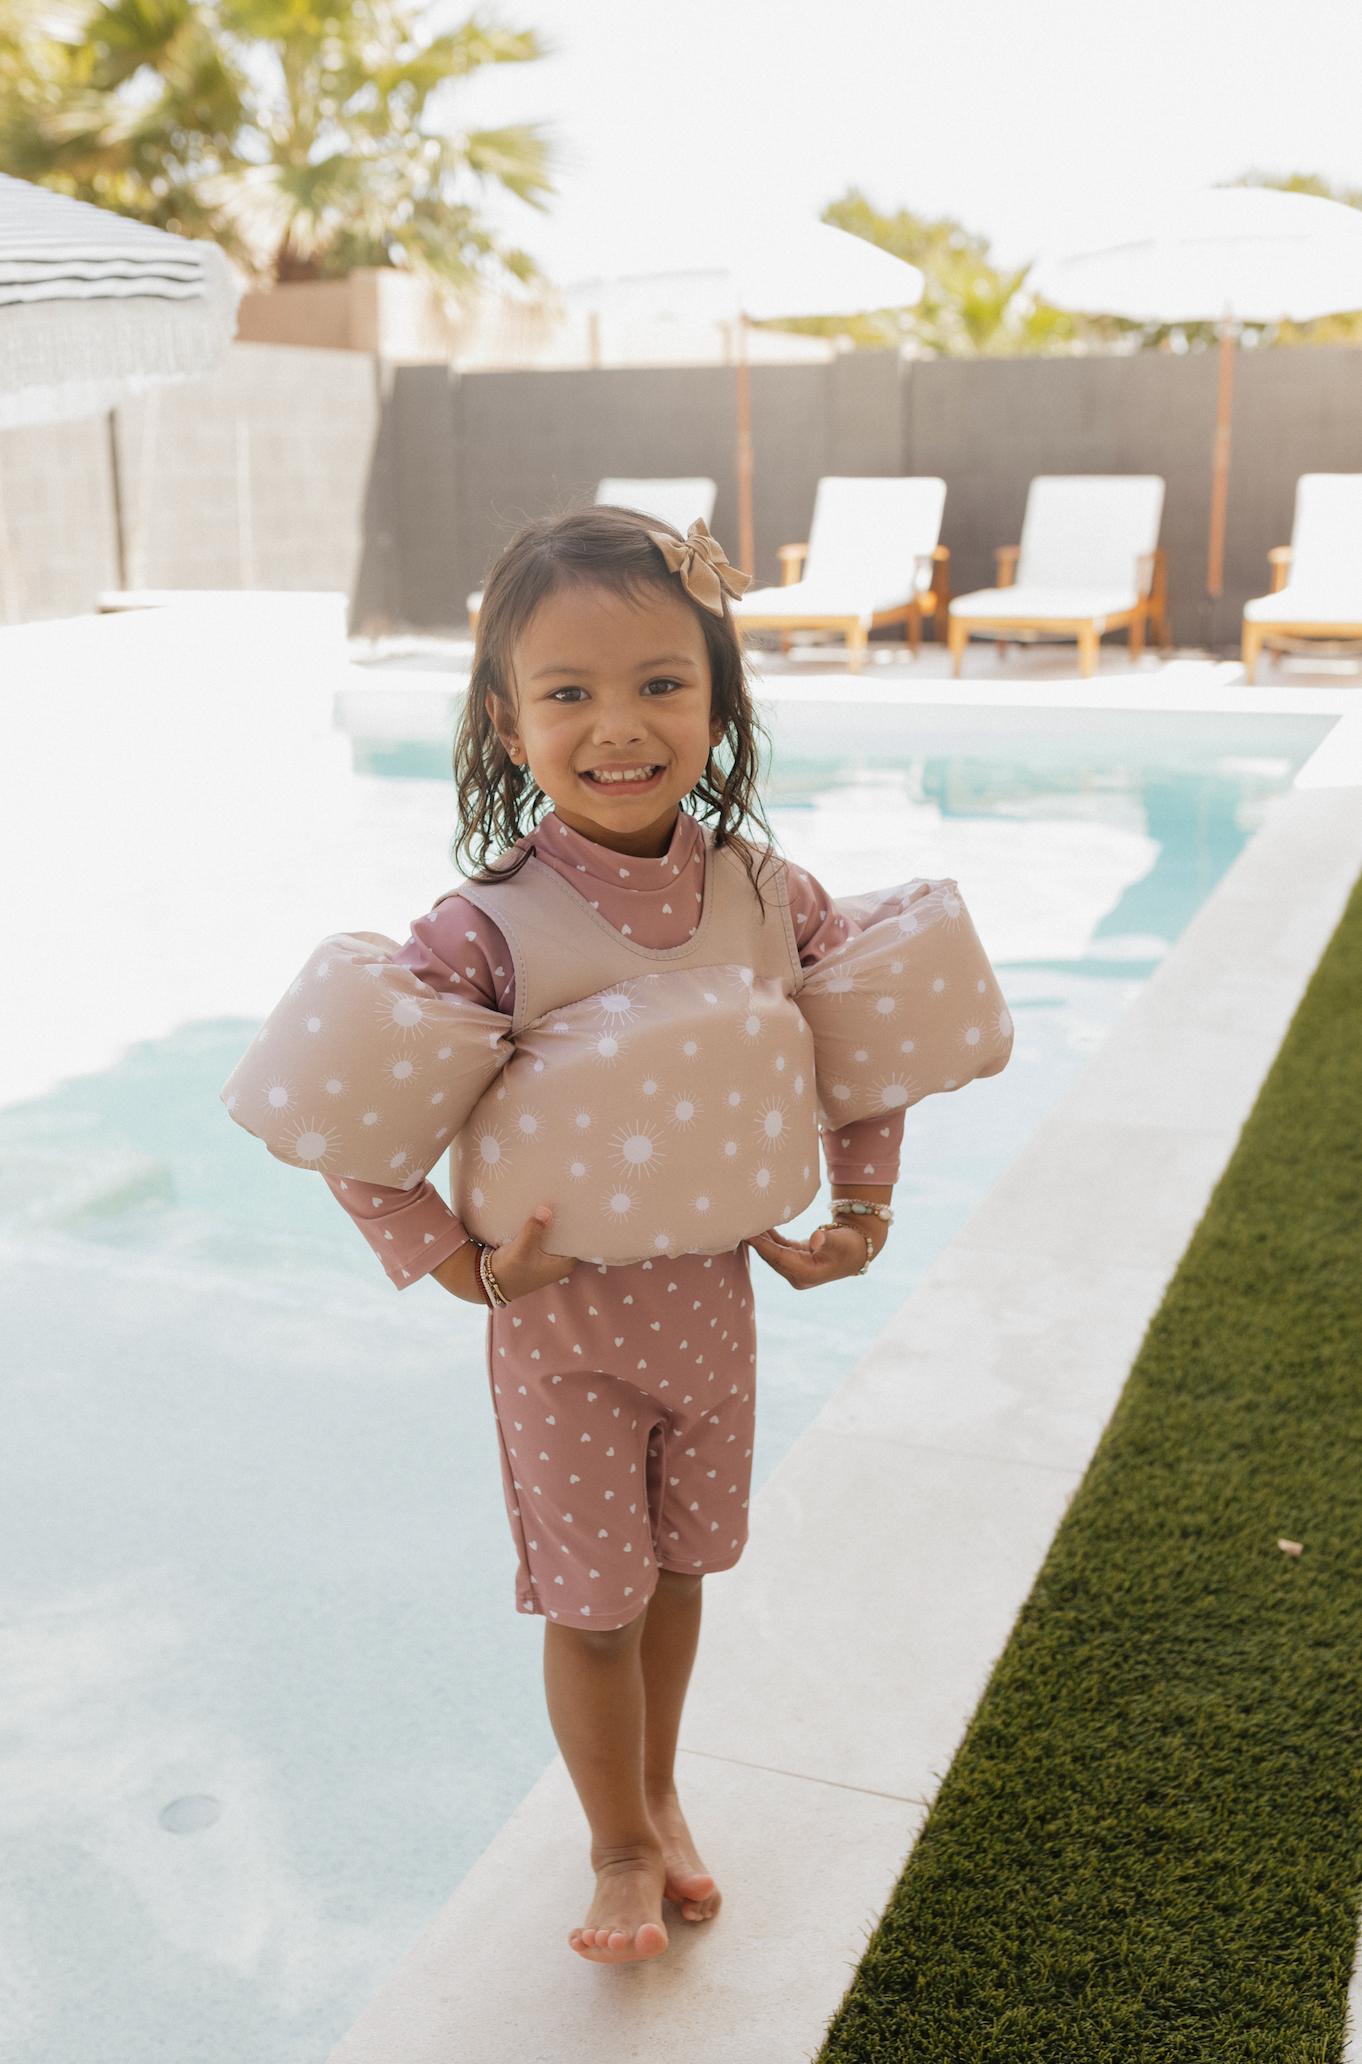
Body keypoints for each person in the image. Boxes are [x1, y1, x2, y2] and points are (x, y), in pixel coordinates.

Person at [223, 506, 1011, 1965]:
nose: (620, 726)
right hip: (567, 1336)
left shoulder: (768, 894)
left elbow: (867, 1051)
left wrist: (863, 1207)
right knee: (595, 1611)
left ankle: (658, 1794)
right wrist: (460, 1267)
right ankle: (619, 1847)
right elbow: (341, 1114)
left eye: (660, 683)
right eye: (568, 692)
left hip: (713, 1317)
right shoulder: (483, 930)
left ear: (717, 698)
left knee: (680, 1576)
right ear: (504, 720)